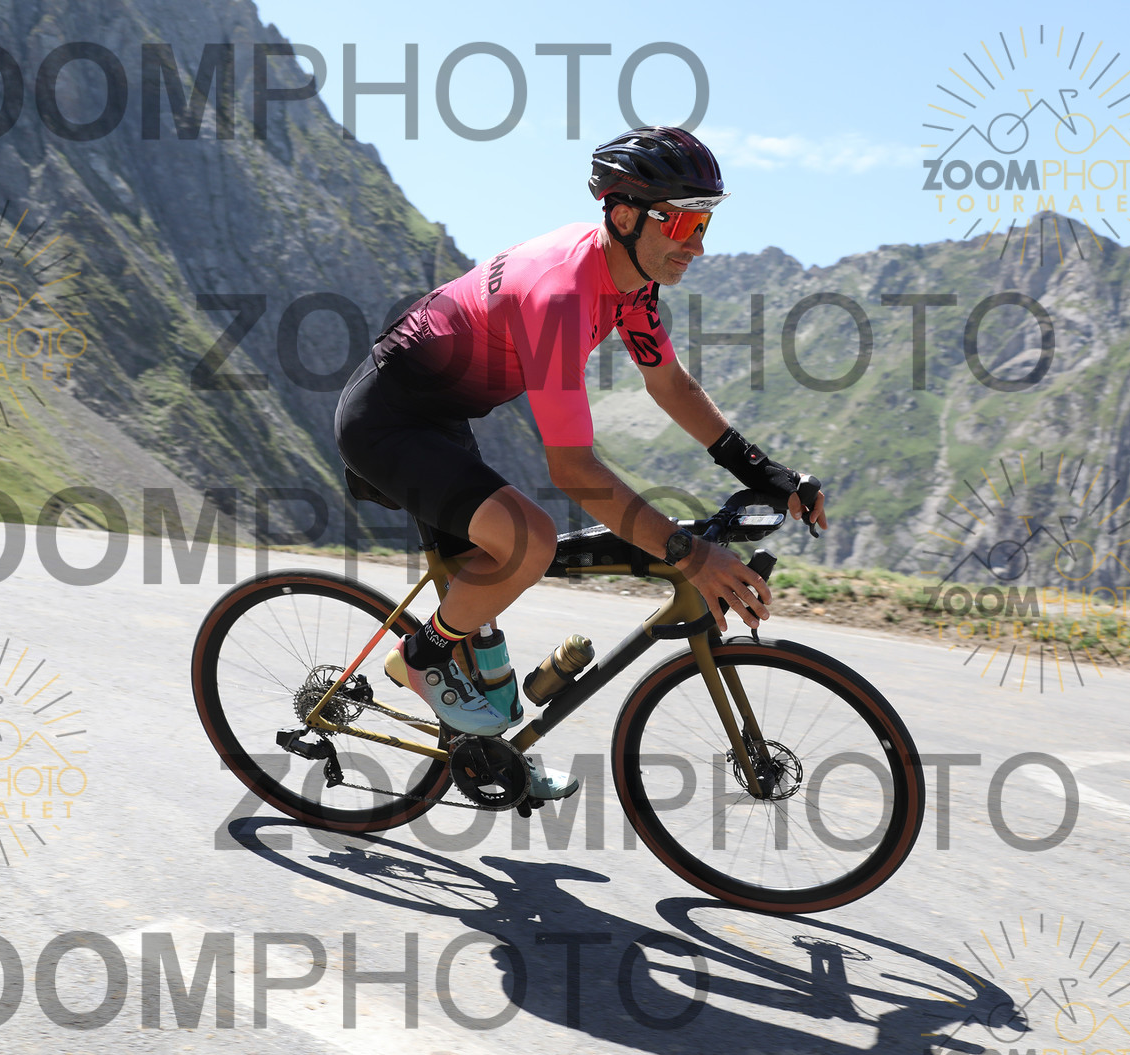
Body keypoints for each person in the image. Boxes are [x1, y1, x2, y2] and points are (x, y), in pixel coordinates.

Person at [334, 126, 826, 799]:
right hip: (387, 419)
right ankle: (419, 657)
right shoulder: (561, 295)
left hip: (441, 418)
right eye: (683, 223)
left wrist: (765, 474)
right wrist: (686, 553)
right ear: (624, 217)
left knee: (491, 584)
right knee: (528, 540)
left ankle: (495, 751)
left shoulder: (632, 284)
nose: (698, 245)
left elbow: (670, 384)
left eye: (705, 223)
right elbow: (572, 470)